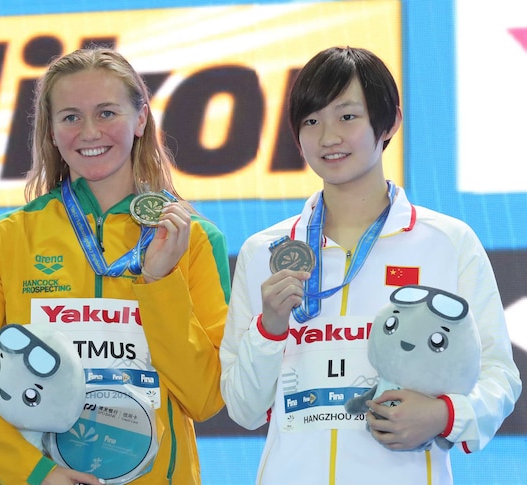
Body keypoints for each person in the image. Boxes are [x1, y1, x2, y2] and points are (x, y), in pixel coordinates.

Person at [219, 46, 521, 484]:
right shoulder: (264, 251)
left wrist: (443, 414)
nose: (328, 137)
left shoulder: (448, 243)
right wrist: (269, 328)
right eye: (311, 120)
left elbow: (499, 375)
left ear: (390, 123)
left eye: (347, 117)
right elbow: (244, 409)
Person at [0, 47, 231, 485]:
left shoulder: (195, 239)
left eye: (107, 112)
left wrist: (159, 280)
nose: (90, 132)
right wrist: (34, 472)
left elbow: (205, 397)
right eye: (70, 117)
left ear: (141, 119)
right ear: (51, 131)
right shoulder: (8, 238)